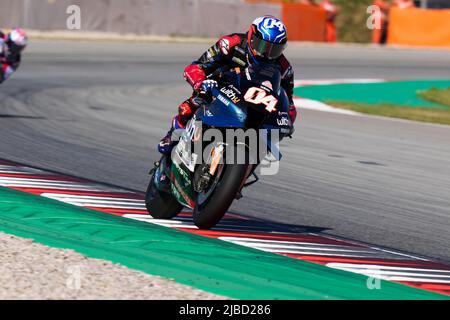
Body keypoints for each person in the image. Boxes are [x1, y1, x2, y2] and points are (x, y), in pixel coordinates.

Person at [158, 16, 297, 154]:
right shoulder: (231, 43)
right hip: (218, 88)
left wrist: (286, 121)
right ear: (252, 37)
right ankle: (173, 135)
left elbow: (288, 103)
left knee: (266, 141)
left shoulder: (284, 67)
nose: (266, 54)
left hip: (253, 104)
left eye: (274, 50)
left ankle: (244, 168)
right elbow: (196, 67)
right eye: (263, 46)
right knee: (190, 106)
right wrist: (200, 83)